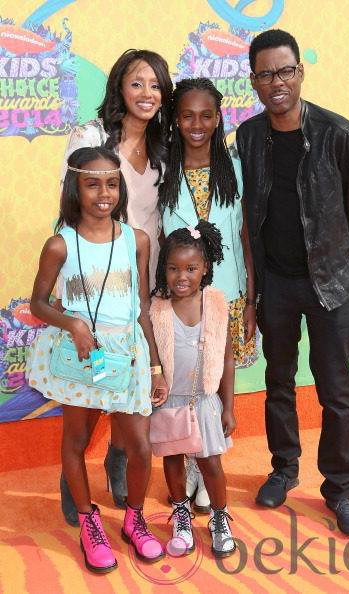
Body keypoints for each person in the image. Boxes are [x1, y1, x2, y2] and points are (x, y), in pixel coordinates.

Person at [236, 29, 349, 536]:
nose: (276, 82)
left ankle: (340, 490)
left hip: (329, 288)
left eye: (285, 71)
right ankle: (283, 469)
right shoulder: (248, 137)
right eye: (265, 74)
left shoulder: (339, 135)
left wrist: (332, 260)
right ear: (253, 81)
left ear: (300, 72)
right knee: (279, 382)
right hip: (275, 285)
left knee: (336, 393)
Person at [26, 147, 168, 573]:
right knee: (76, 441)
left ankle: (135, 519)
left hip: (126, 353)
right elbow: (37, 303)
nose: (103, 193)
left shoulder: (135, 239)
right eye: (92, 184)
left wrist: (156, 366)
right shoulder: (59, 245)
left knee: (141, 446)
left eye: (111, 183)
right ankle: (89, 521)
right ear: (75, 187)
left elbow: (141, 307)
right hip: (84, 356)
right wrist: (73, 324)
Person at [58, 49, 173, 523]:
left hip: (139, 284)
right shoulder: (91, 136)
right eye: (137, 83)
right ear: (119, 89)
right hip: (92, 283)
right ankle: (72, 477)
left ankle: (119, 461)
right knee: (89, 379)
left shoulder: (166, 149)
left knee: (129, 385)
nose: (147, 94)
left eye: (155, 84)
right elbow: (66, 205)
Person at [158, 77, 256, 512]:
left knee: (215, 381)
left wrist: (251, 297)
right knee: (184, 380)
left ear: (219, 119)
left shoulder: (234, 168)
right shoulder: (162, 170)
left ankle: (202, 468)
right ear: (175, 120)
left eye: (206, 115)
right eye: (186, 116)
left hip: (226, 293)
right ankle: (191, 459)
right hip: (180, 298)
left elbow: (245, 233)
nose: (196, 124)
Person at [150, 221, 237, 558]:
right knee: (173, 460)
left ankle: (219, 518)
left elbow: (227, 358)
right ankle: (182, 515)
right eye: (172, 268)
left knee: (211, 464)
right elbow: (151, 355)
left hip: (204, 401)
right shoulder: (157, 307)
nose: (181, 276)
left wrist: (227, 407)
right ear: (163, 269)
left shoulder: (215, 303)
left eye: (191, 268)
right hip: (169, 400)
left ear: (205, 269)